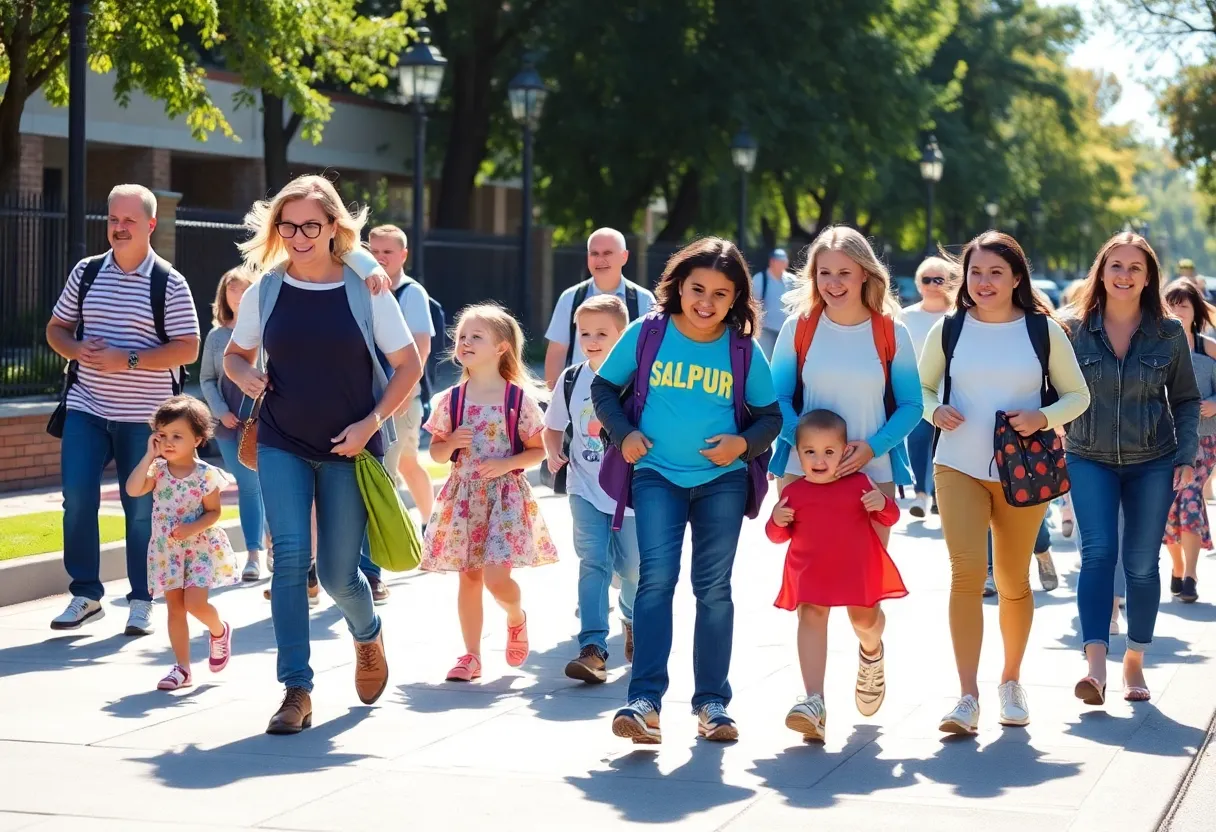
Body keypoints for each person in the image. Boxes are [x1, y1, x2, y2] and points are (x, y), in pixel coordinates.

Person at [224, 174, 422, 735]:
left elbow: (407, 365)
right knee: (289, 559)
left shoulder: (368, 288)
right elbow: (235, 357)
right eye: (288, 225)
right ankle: (296, 689)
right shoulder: (267, 288)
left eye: (311, 224)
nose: (299, 235)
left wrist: (371, 422)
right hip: (282, 440)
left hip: (349, 447)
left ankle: (368, 635)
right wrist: (248, 376)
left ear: (335, 226)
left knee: (340, 576)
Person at [592, 237, 782, 744]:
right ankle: (645, 700)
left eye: (721, 294)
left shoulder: (743, 349)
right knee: (655, 581)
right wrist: (624, 433)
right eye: (698, 288)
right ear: (678, 286)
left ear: (736, 298)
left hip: (722, 480)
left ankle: (713, 704)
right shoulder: (647, 332)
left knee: (713, 589)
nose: (706, 301)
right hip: (656, 473)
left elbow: (771, 417)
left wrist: (742, 445)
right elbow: (604, 388)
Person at [919, 231, 1090, 734]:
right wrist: (935, 410)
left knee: (1014, 580)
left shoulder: (1043, 330)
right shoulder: (949, 329)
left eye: (996, 272)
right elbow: (922, 389)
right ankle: (967, 696)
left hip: (1023, 471)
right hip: (957, 466)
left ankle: (1010, 682)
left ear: (1017, 277)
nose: (984, 282)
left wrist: (1042, 416)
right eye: (975, 272)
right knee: (967, 574)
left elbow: (1077, 395)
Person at [45, 184, 201, 635]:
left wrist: (127, 359)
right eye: (113, 219)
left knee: (139, 510)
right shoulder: (87, 272)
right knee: (77, 499)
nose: (119, 228)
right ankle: (86, 594)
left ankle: (141, 599)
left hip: (146, 418)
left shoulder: (168, 281)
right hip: (86, 406)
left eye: (129, 220)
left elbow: (188, 347)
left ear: (151, 224)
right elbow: (56, 329)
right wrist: (75, 349)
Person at [1063, 232, 1200, 706]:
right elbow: (1047, 389)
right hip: (1088, 456)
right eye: (1115, 266)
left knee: (1141, 564)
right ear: (1101, 271)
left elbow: (1185, 400)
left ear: (1148, 278)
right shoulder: (1071, 329)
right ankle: (1095, 668)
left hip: (1154, 461)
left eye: (1134, 268)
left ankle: (1134, 661)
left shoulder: (1167, 332)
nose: (1124, 275)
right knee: (1098, 554)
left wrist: (1185, 456)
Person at [424, 304, 556, 682]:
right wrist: (449, 442)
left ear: (501, 347)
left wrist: (505, 463)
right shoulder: (452, 400)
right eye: (462, 337)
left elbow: (538, 449)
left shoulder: (518, 400)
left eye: (476, 336)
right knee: (469, 578)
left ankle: (515, 617)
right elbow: (435, 452)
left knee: (497, 580)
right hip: (464, 499)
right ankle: (471, 655)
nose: (465, 342)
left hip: (504, 500)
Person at [769, 226, 922, 553]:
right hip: (804, 471)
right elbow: (776, 399)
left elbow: (911, 405)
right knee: (811, 589)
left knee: (865, 592)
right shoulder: (798, 327)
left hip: (871, 472)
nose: (833, 283)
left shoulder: (892, 332)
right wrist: (810, 446)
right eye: (824, 273)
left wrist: (872, 448)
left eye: (844, 273)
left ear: (865, 274)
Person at [769, 409, 905, 743]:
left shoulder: (859, 483)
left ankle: (871, 652)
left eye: (829, 452)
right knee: (811, 616)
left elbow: (890, 517)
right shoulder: (796, 492)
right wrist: (777, 518)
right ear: (798, 455)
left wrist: (881, 503)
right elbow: (776, 536)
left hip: (854, 570)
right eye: (810, 452)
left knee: (865, 621)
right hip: (811, 570)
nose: (819, 459)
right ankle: (814, 702)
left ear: (844, 453)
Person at [543, 295, 640, 684]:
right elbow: (552, 427)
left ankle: (630, 616)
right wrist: (553, 454)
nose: (592, 339)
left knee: (634, 568)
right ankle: (594, 647)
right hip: (585, 487)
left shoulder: (639, 378)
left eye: (603, 332)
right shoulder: (572, 378)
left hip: (630, 493)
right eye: (585, 332)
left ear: (624, 334)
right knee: (593, 561)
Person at [125, 396, 238, 690]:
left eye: (177, 436)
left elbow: (214, 512)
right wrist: (149, 456)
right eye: (162, 436)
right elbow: (133, 489)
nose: (169, 442)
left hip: (198, 548)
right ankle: (183, 669)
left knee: (195, 604)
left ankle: (218, 630)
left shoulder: (206, 476)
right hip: (166, 551)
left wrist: (191, 528)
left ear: (198, 439)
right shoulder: (157, 471)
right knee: (175, 608)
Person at [200, 267, 268, 582]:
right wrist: (221, 412)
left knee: (267, 486)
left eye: (244, 290)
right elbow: (207, 379)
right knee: (249, 486)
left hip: (265, 422)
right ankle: (254, 554)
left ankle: (271, 546)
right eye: (232, 290)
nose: (238, 296)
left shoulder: (265, 330)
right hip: (228, 425)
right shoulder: (216, 338)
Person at [369, 224, 436, 532]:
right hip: (377, 394)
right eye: (375, 251)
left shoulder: (411, 293)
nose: (380, 258)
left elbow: (421, 347)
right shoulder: (367, 288)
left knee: (387, 470)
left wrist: (404, 394)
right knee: (408, 463)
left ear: (403, 255)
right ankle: (433, 527)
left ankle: (403, 537)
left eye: (388, 252)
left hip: (401, 398)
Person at [543, 227, 655, 388]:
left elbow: (651, 353)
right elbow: (556, 353)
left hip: (624, 395)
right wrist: (553, 399)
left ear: (624, 256)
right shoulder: (571, 298)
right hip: (578, 395)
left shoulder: (643, 299)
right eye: (594, 253)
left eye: (608, 253)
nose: (600, 259)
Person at [1161, 279, 1216, 604]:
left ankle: (1192, 576)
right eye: (1173, 304)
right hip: (1163, 440)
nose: (1178, 310)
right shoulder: (1155, 344)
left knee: (1191, 497)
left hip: (1203, 439)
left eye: (1184, 304)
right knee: (1168, 507)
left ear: (1195, 310)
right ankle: (1178, 568)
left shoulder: (1206, 346)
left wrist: (1214, 402)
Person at [900, 255, 960, 517]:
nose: (934, 284)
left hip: (954, 393)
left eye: (940, 279)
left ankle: (938, 494)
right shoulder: (904, 317)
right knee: (918, 441)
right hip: (917, 391)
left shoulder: (960, 317)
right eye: (928, 279)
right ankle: (921, 495)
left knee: (943, 444)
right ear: (918, 283)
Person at [753, 248, 796, 358]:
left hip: (786, 330)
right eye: (780, 261)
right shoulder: (759, 279)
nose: (783, 263)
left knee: (783, 360)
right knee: (766, 359)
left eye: (784, 261)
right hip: (766, 329)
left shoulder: (792, 280)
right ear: (772, 262)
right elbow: (753, 304)